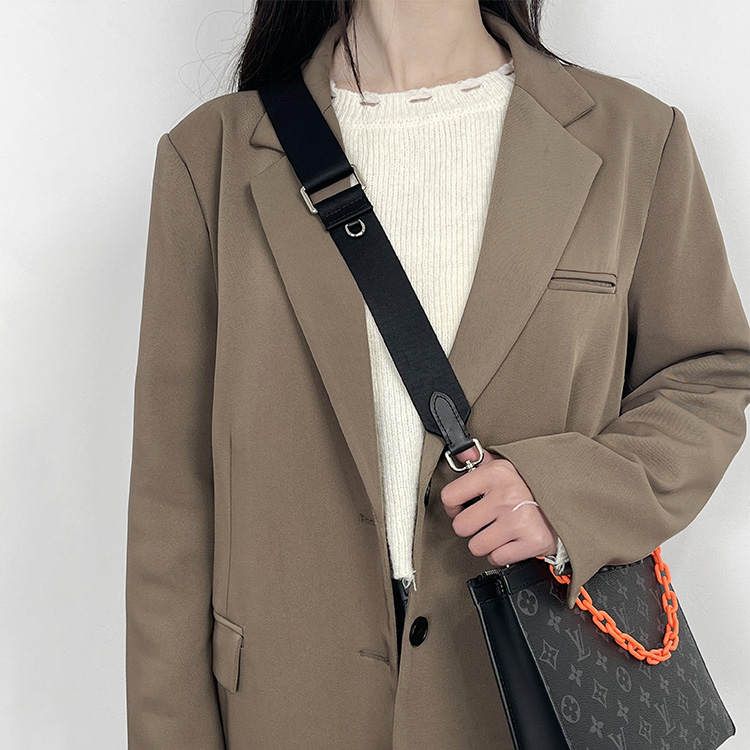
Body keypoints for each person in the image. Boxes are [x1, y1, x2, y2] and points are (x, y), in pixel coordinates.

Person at [124, 1, 750, 749]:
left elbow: (706, 375)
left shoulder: (634, 138)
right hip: (288, 708)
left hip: (533, 701)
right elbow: (173, 496)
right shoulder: (212, 156)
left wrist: (567, 496)